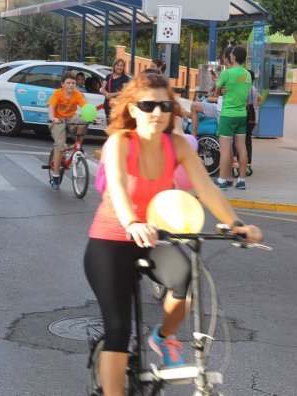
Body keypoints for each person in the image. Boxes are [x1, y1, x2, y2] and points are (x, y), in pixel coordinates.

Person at [84, 71, 262, 396]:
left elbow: (207, 189)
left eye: (164, 105)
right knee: (119, 330)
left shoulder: (177, 144)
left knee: (185, 278)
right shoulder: (119, 142)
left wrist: (236, 225)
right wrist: (132, 223)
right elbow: (120, 191)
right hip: (110, 240)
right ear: (132, 108)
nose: (157, 112)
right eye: (148, 105)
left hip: (155, 236)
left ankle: (163, 336)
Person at [215, 45, 251, 191]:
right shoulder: (247, 75)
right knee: (241, 148)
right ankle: (241, 181)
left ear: (233, 57)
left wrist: (222, 89)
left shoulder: (227, 73)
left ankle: (222, 180)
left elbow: (217, 92)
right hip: (242, 115)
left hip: (228, 115)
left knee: (224, 148)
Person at [47, 71, 89, 190]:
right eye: (68, 83)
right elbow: (51, 106)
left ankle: (78, 146)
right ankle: (55, 175)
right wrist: (52, 118)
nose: (71, 85)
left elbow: (85, 106)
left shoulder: (77, 94)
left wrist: (93, 117)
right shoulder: (57, 94)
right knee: (60, 145)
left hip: (70, 118)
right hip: (57, 120)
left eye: (73, 83)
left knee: (83, 122)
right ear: (63, 84)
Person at [101, 58, 130, 123]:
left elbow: (125, 92)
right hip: (107, 104)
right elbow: (102, 89)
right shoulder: (108, 76)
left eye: (121, 65)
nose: (119, 67)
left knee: (116, 124)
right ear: (114, 66)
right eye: (117, 65)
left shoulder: (125, 78)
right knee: (109, 124)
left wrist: (112, 94)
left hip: (118, 105)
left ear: (123, 67)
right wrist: (106, 94)